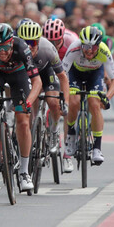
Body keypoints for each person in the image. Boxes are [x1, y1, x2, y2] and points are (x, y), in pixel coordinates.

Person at [0, 23, 42, 191]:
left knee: (24, 122)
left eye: (5, 47)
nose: (2, 51)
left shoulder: (22, 47)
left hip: (18, 74)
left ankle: (24, 172)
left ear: (11, 42)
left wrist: (29, 101)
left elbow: (37, 81)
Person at [62, 26, 114, 164]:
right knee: (74, 101)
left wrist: (107, 97)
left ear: (98, 46)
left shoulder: (104, 50)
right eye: (86, 46)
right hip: (75, 73)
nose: (89, 50)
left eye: (93, 47)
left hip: (95, 74)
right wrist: (64, 97)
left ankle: (97, 148)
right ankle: (70, 134)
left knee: (95, 103)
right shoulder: (74, 48)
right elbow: (62, 74)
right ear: (81, 44)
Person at [17, 20, 70, 153]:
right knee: (27, 108)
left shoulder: (48, 48)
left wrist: (66, 102)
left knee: (53, 102)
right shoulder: (15, 49)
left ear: (39, 41)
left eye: (33, 43)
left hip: (46, 73)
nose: (29, 47)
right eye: (25, 43)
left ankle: (53, 131)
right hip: (26, 75)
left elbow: (63, 77)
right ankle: (30, 134)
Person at [42, 18, 78, 173]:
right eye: (50, 41)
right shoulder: (42, 43)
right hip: (49, 68)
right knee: (52, 101)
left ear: (62, 37)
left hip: (70, 70)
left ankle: (67, 156)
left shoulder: (72, 42)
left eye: (56, 41)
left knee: (67, 109)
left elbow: (77, 67)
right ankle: (47, 132)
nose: (53, 45)